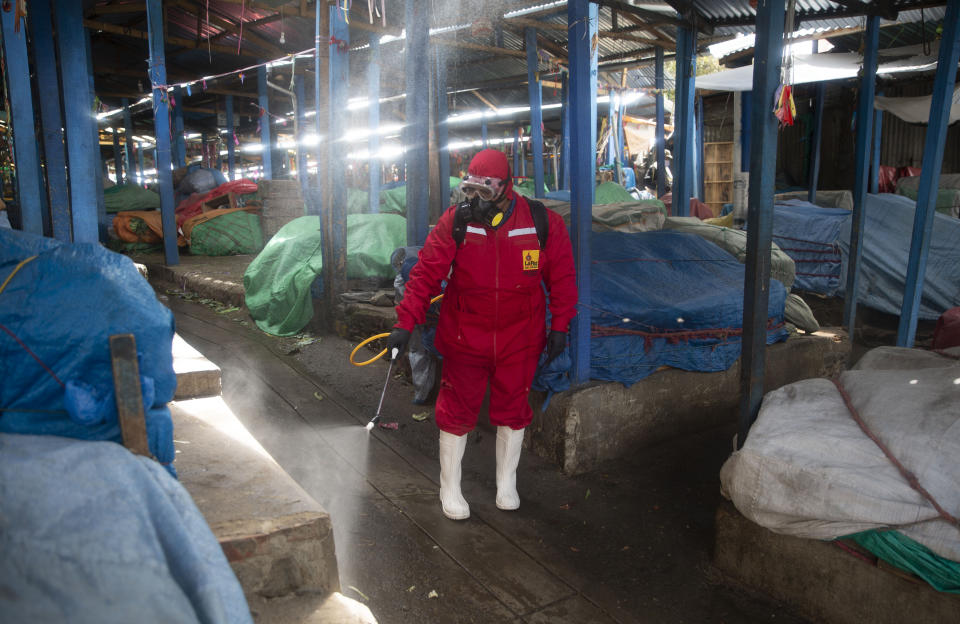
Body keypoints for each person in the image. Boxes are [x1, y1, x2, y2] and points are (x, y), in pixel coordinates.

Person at [387, 149, 577, 520]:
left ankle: (507, 483)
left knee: (513, 409)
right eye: (470, 191)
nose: (476, 201)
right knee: (457, 410)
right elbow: (426, 273)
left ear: (507, 187)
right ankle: (450, 487)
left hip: (519, 338)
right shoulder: (456, 222)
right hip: (465, 336)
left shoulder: (542, 223)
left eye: (485, 193)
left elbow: (564, 279)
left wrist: (561, 326)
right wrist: (404, 322)